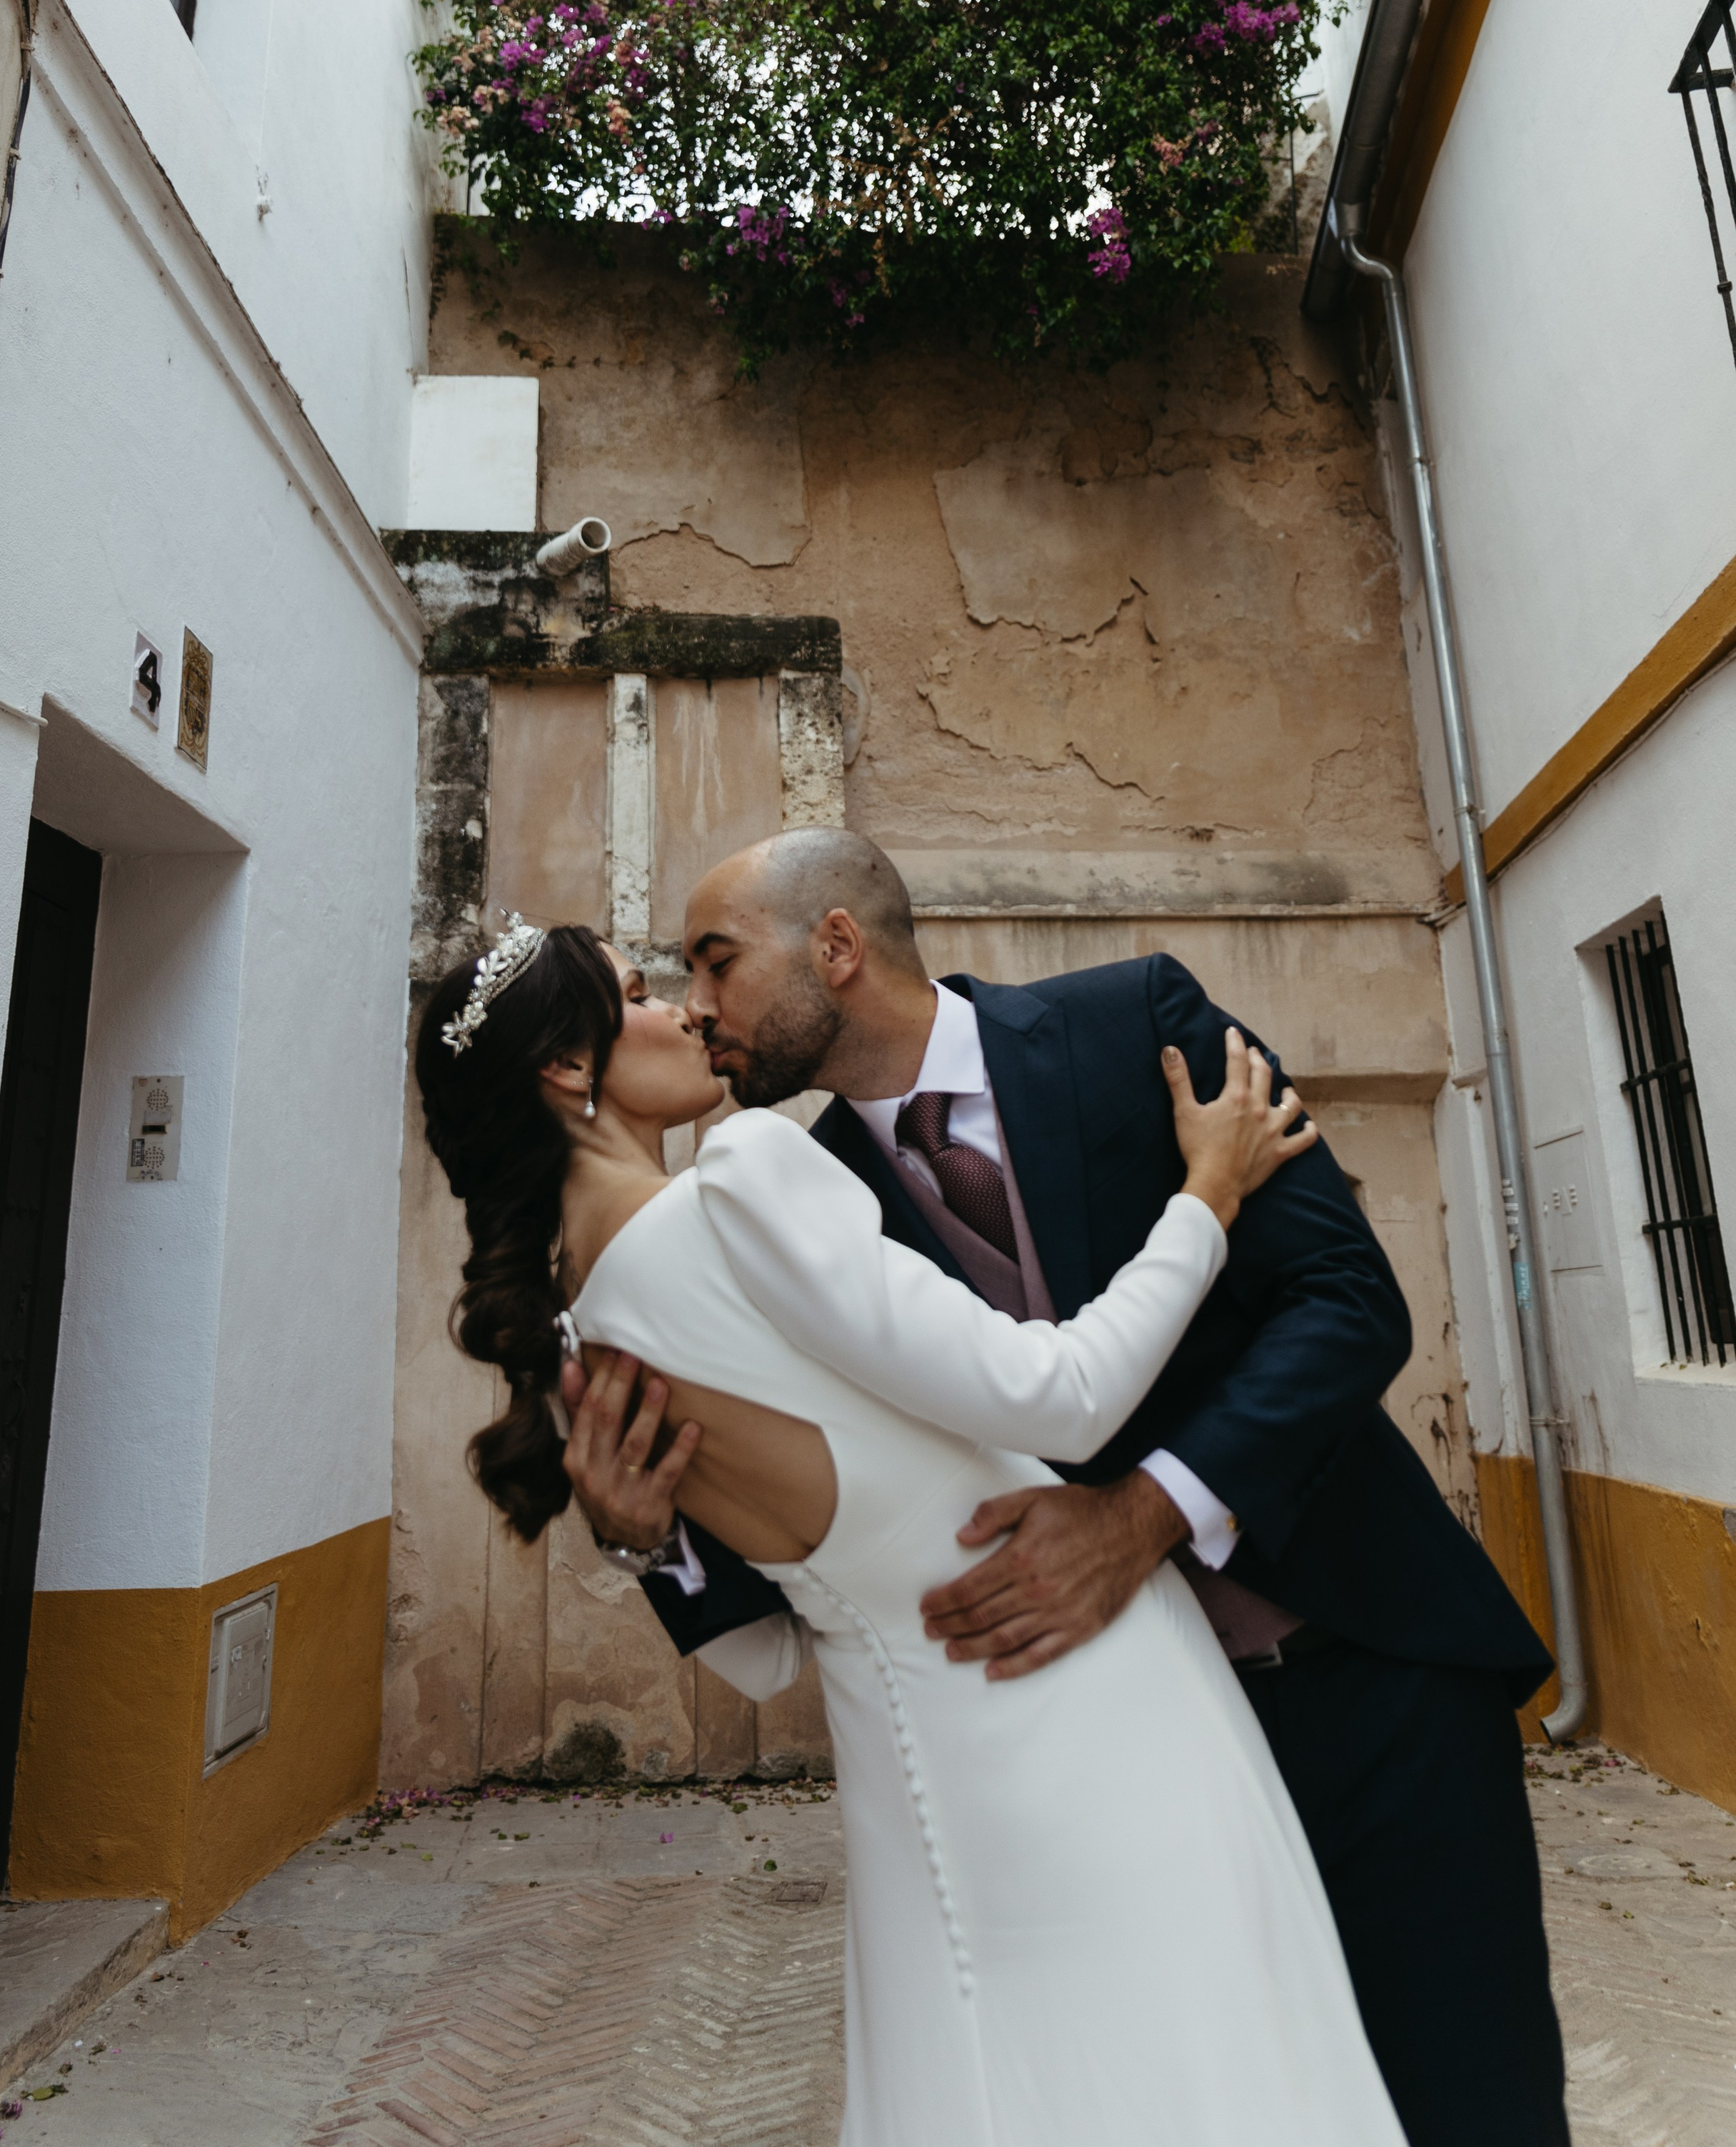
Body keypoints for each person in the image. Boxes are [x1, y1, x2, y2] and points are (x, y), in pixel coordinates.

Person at [564, 828, 1569, 2147]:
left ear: (837, 947)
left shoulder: (1135, 1025)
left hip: (1370, 1673)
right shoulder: (801, 1199)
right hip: (1121, 1775)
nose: (698, 1007)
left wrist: (1145, 1515)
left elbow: (1347, 1303)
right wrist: (643, 1539)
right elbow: (807, 1549)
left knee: (1475, 2102)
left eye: (717, 963)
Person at [416, 912, 1407, 2147]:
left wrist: (640, 1542)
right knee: (1202, 2071)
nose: (683, 1010)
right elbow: (1062, 1395)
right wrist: (1207, 1194)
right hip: (1085, 1689)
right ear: (569, 1065)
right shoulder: (744, 1177)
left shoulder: (578, 1344)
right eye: (639, 993)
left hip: (911, 1770)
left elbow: (767, 1654)